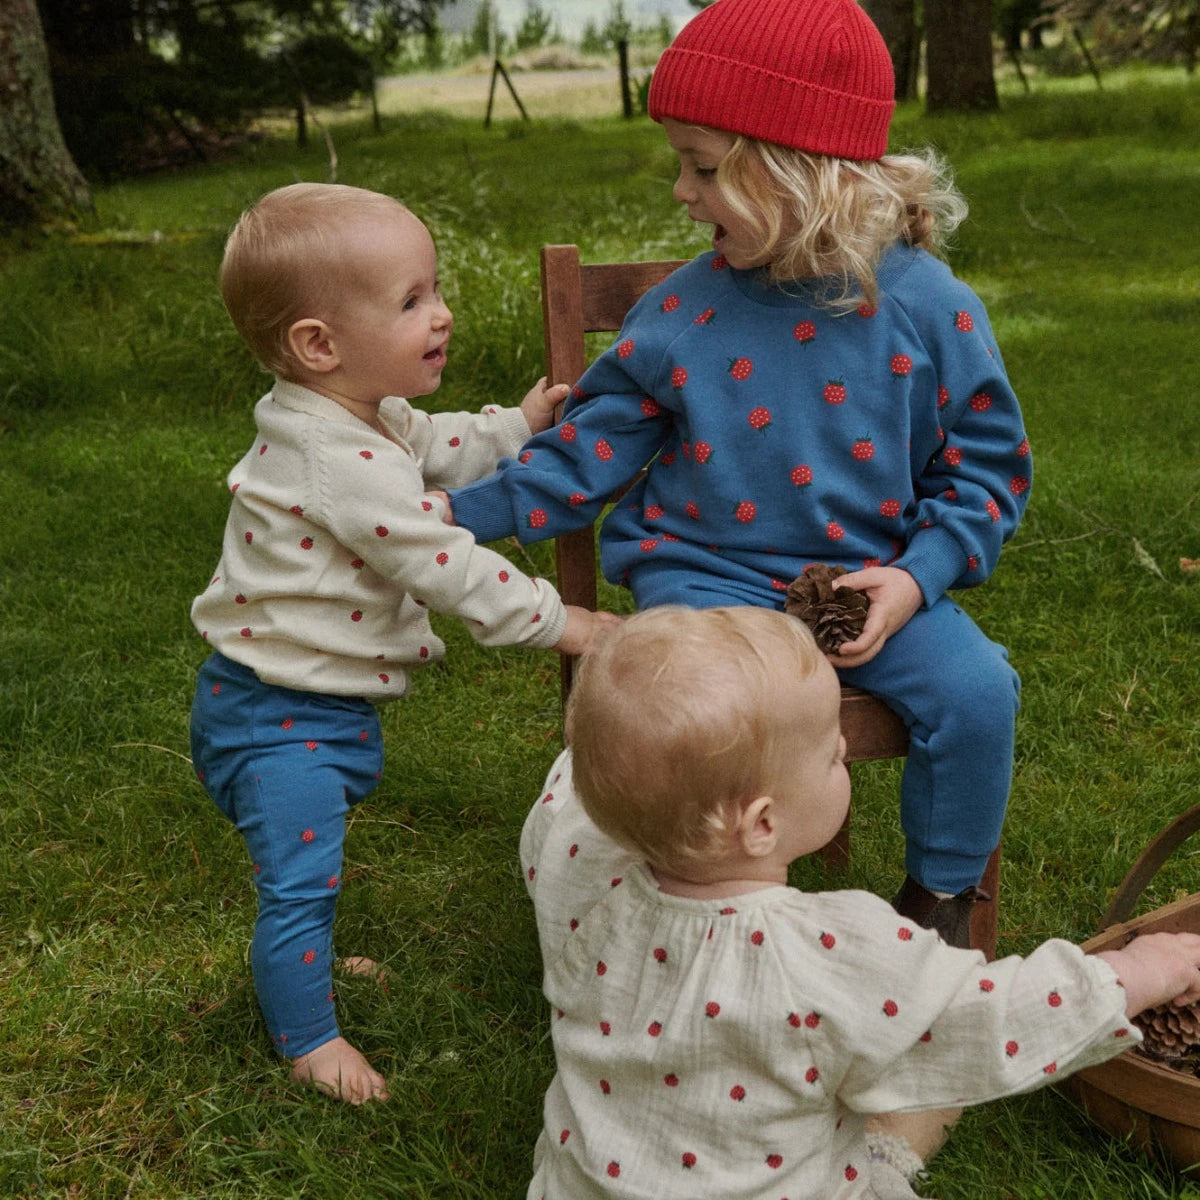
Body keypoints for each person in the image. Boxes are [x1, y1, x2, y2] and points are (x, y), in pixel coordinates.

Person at [436, 0, 1031, 945]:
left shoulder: (931, 309)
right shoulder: (682, 314)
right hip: (703, 583)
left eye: (704, 167)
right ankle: (692, 916)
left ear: (808, 175)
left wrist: (913, 583)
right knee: (706, 719)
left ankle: (940, 910)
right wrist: (441, 518)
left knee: (978, 693)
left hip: (861, 587)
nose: (681, 191)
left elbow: (987, 475)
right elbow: (579, 460)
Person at [521, 605, 1200, 1199]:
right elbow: (989, 1021)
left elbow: (571, 794)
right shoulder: (828, 954)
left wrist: (626, 751)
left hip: (587, 1187)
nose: (844, 752)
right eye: (830, 755)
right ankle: (887, 1156)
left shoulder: (583, 869)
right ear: (762, 825)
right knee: (935, 1096)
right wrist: (1143, 971)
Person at [189, 183, 618, 1104]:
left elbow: (435, 443)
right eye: (412, 300)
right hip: (276, 718)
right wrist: (565, 620)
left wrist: (515, 427)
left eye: (435, 290)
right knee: (298, 880)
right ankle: (308, 1040)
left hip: (301, 701)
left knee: (311, 861)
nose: (442, 313)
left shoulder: (359, 414)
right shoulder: (332, 461)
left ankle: (308, 963)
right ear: (319, 344)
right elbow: (444, 563)